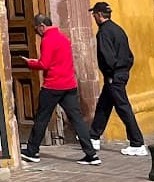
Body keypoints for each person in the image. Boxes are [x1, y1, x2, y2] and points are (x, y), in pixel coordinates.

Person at [19, 13, 100, 165]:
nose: (36, 32)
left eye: (36, 29)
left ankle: (32, 150)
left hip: (53, 86)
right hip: (69, 85)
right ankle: (91, 154)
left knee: (42, 118)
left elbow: (44, 64)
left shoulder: (47, 39)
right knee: (77, 120)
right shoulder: (63, 38)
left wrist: (30, 63)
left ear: (41, 26)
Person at [86, 1, 147, 156]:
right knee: (104, 105)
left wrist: (110, 73)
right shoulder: (118, 29)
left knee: (123, 107)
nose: (94, 17)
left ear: (99, 15)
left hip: (114, 76)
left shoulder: (104, 32)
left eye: (94, 15)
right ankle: (94, 136)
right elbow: (129, 56)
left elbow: (107, 57)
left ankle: (137, 143)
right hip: (121, 73)